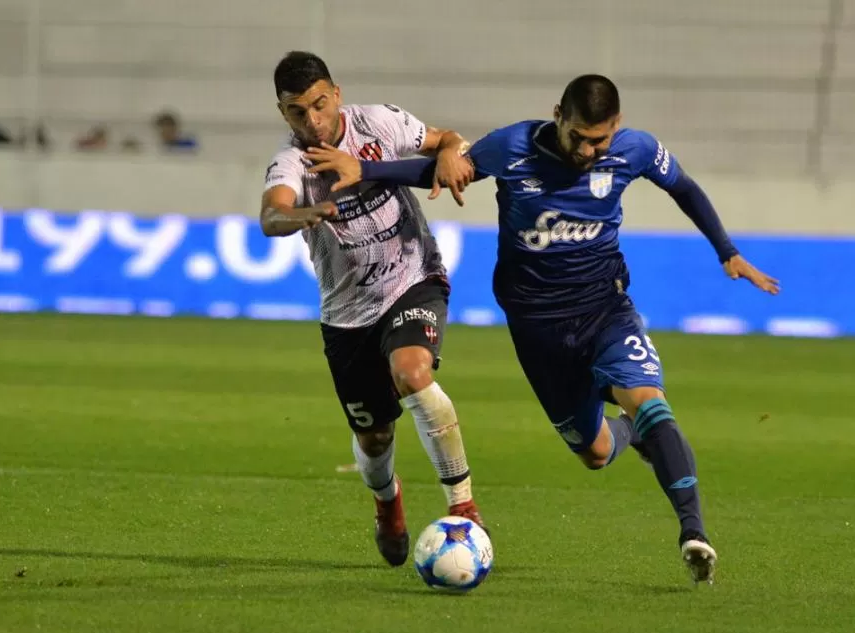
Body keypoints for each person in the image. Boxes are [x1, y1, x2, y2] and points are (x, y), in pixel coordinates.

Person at [306, 74, 781, 585]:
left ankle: (695, 534)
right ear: (558, 115)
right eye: (578, 135)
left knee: (647, 398)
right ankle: (631, 435)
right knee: (596, 453)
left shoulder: (635, 150)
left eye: (599, 139)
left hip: (606, 308)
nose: (588, 149)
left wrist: (726, 251)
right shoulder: (512, 147)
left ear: (616, 127)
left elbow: (682, 187)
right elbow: (439, 170)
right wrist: (370, 168)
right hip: (537, 331)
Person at [257, 51, 486, 568]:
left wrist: (451, 151)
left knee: (412, 371)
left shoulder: (378, 122)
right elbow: (272, 214)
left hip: (413, 279)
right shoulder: (291, 163)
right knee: (374, 435)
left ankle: (464, 507)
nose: (313, 121)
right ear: (283, 113)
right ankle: (388, 503)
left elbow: (447, 139)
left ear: (336, 93)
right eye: (298, 112)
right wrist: (302, 213)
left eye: (319, 105)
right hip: (348, 314)